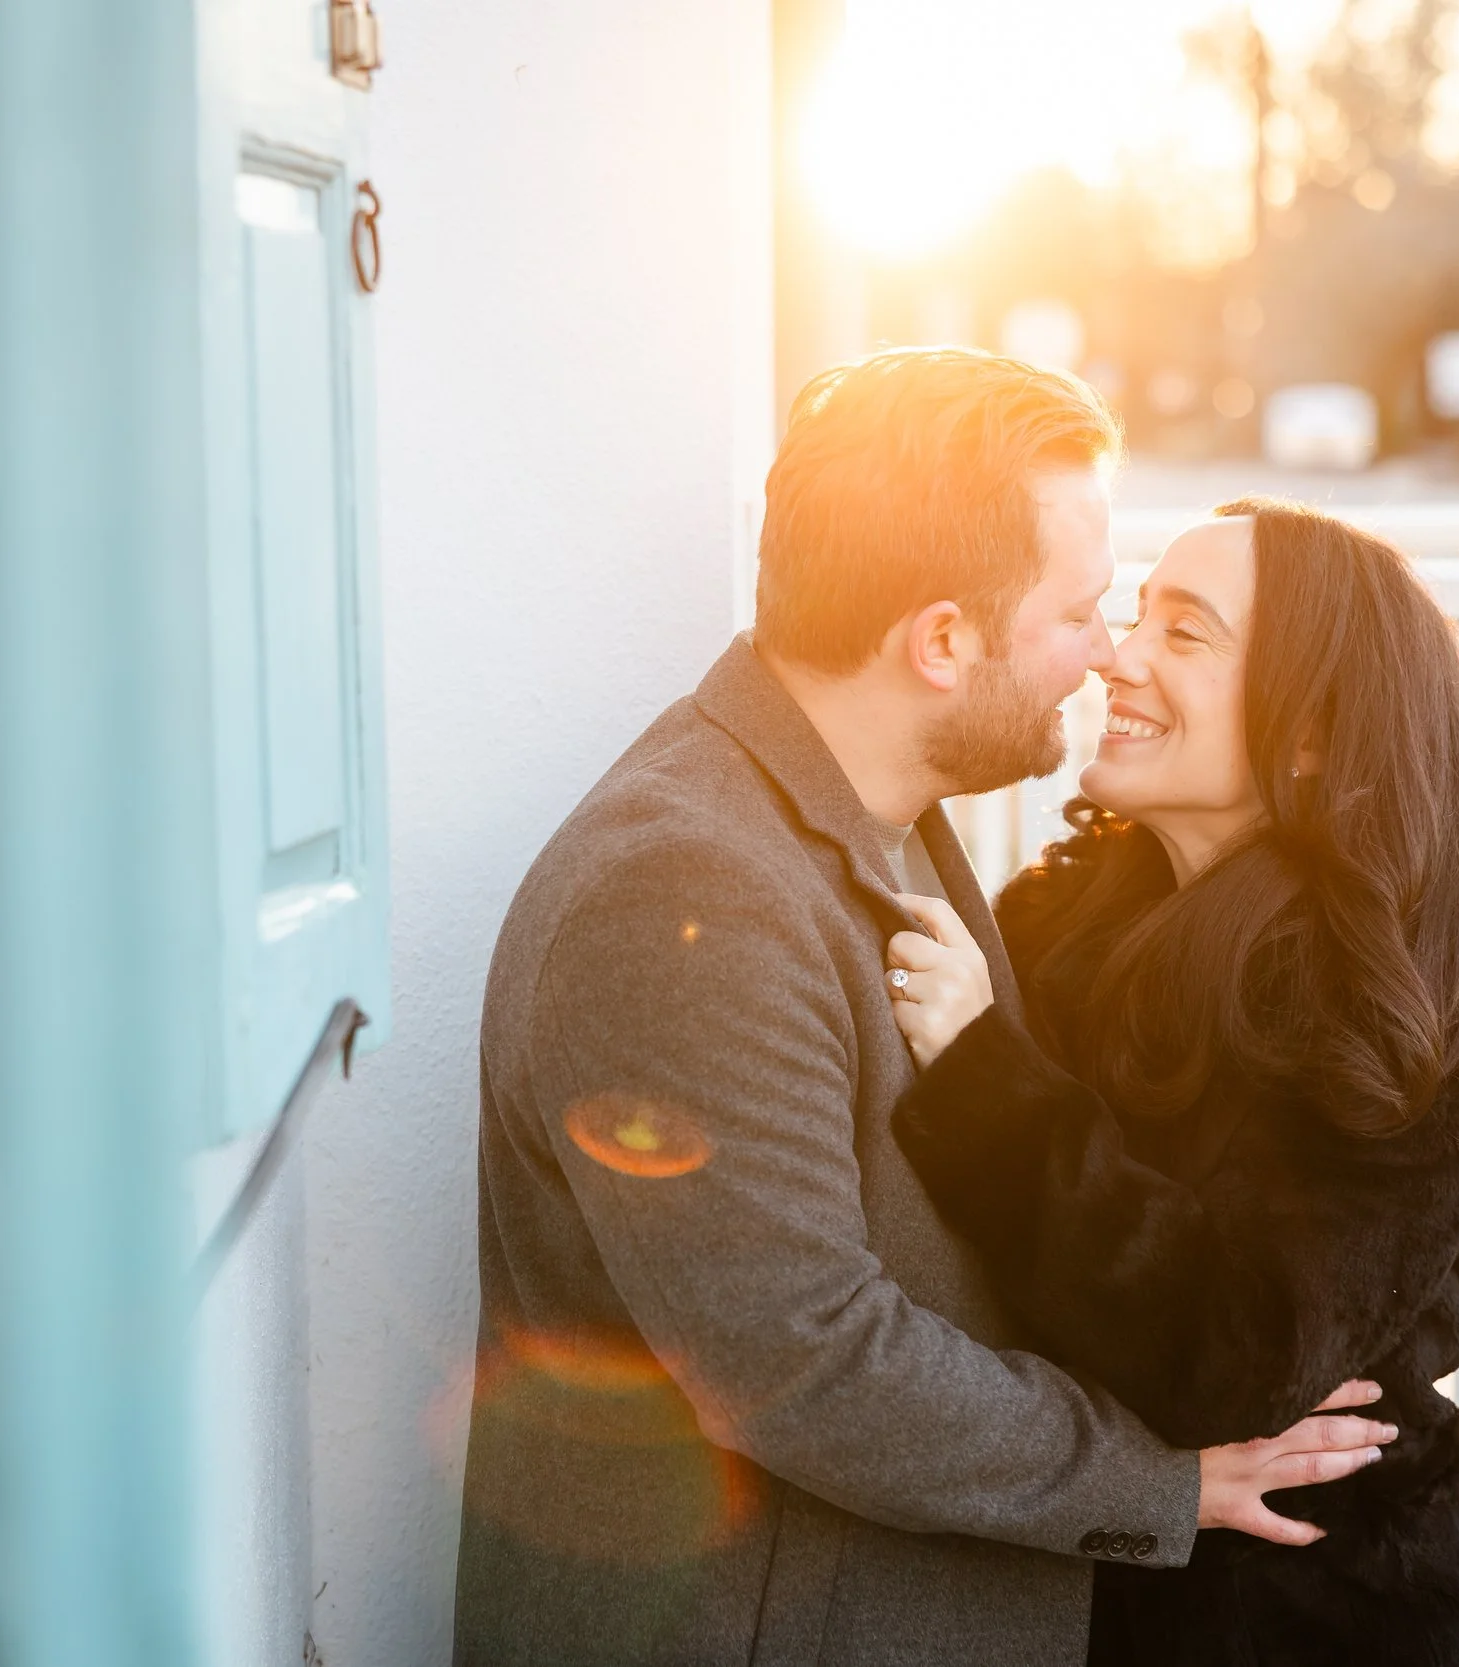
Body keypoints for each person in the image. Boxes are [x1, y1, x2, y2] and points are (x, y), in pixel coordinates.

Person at [452, 356, 1392, 1667]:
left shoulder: (878, 818)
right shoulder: (682, 896)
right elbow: (803, 1354)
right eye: (1080, 613)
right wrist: (1159, 1480)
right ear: (942, 639)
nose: (1108, 654)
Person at [884, 500, 1459, 1665]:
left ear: (1310, 732)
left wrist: (986, 1081)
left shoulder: (1390, 995)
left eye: (1185, 634)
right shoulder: (1069, 913)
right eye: (1137, 615)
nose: (1118, 656)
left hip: (1326, 1612)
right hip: (1091, 1593)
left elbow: (1242, 1352)